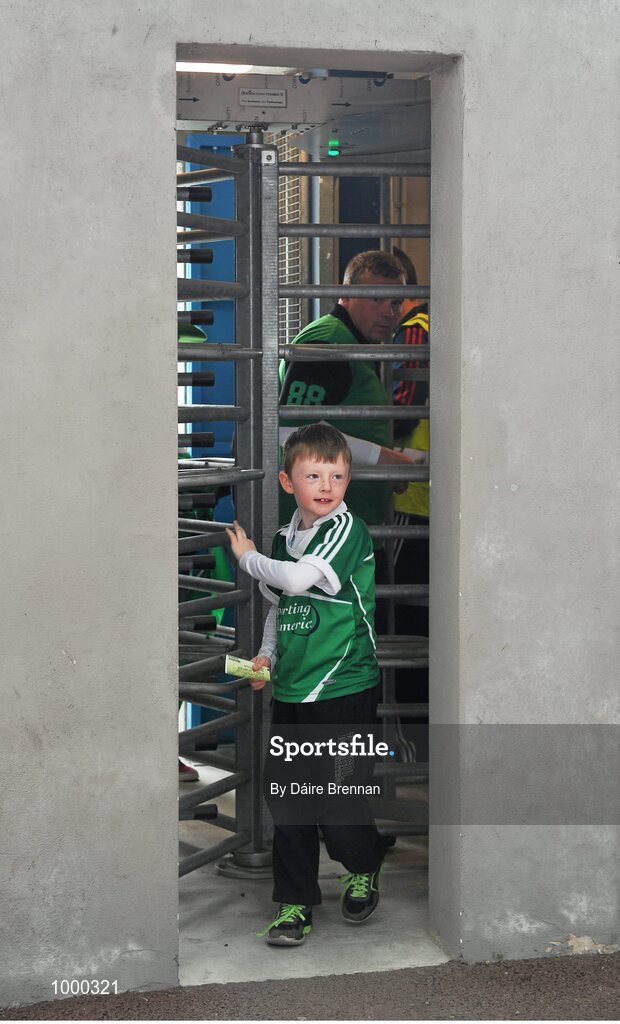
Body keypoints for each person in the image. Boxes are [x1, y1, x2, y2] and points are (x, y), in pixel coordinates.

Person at [226, 424, 385, 946]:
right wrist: (267, 655)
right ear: (287, 481)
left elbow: (293, 579)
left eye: (337, 475)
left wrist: (246, 558)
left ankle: (363, 862)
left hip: (345, 686)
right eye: (313, 474)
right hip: (294, 690)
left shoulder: (346, 529)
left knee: (338, 800)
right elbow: (284, 605)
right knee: (289, 798)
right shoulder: (283, 539)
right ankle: (294, 905)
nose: (326, 485)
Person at [279, 250, 413, 535]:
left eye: (396, 303)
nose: (388, 312)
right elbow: (291, 430)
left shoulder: (350, 342)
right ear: (345, 294)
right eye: (376, 298)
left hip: (341, 529)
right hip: (319, 537)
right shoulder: (329, 342)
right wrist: (383, 459)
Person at [391, 248, 430, 699]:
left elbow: (401, 401)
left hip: (410, 496)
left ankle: (407, 727)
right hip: (427, 495)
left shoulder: (415, 331)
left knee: (404, 614)